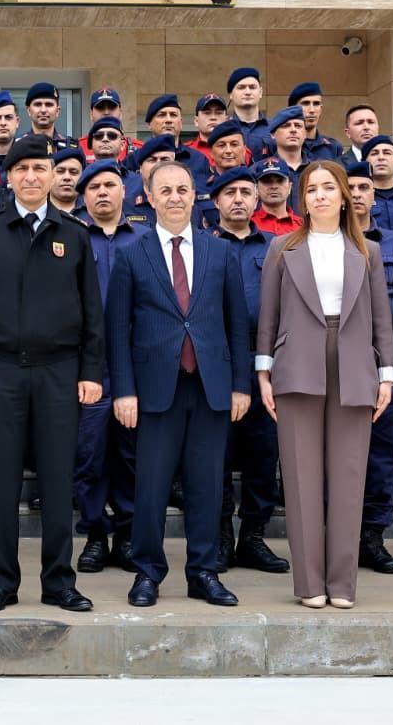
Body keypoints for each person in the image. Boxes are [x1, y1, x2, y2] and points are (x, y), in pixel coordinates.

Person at [0, 135, 105, 613]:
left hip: (59, 371)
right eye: (22, 169)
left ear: (54, 175)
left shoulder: (74, 234)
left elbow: (92, 310)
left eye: (40, 168)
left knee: (59, 480)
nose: (32, 177)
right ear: (9, 177)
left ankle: (59, 581)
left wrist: (91, 371)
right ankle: (1, 581)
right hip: (0, 370)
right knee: (0, 480)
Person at [107, 160, 251, 609]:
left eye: (182, 189)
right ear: (149, 197)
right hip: (154, 389)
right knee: (150, 487)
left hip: (210, 386)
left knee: (207, 486)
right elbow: (118, 329)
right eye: (165, 190)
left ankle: (203, 571)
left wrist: (241, 385)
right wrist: (124, 391)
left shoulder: (220, 252)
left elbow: (237, 325)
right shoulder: (132, 254)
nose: (174, 197)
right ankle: (148, 571)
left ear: (195, 196)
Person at [255, 160, 393, 608]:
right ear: (303, 199)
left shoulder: (366, 251)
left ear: (344, 197)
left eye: (328, 188)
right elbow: (268, 314)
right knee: (301, 478)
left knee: (349, 477)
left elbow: (381, 318)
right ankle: (310, 584)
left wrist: (387, 375)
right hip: (296, 364)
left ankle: (342, 584)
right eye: (312, 188)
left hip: (354, 364)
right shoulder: (282, 248)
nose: (320, 195)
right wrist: (263, 372)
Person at [209, 167, 288, 575]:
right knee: (216, 455)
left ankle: (253, 537)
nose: (238, 199)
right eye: (230, 193)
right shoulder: (203, 246)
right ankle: (222, 537)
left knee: (263, 452)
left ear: (257, 200)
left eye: (245, 192)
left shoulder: (278, 247)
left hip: (265, 360)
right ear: (216, 202)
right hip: (216, 360)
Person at [71, 160, 145, 574]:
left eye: (110, 185)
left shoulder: (146, 238)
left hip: (137, 362)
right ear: (84, 196)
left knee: (133, 455)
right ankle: (96, 535)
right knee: (90, 455)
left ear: (124, 191)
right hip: (89, 366)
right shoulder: (71, 238)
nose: (102, 192)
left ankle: (129, 535)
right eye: (94, 186)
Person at [347, 160, 393, 574]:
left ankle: (373, 536)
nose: (356, 194)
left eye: (363, 187)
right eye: (349, 187)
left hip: (384, 364)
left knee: (384, 455)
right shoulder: (322, 244)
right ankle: (338, 534)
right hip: (335, 363)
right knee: (336, 455)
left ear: (374, 194)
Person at [341, 104, 393, 186]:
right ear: (348, 132)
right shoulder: (337, 165)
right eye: (359, 123)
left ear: (378, 127)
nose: (366, 127)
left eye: (371, 122)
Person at [226, 67, 275, 159]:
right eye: (241, 88)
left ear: (260, 92)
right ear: (231, 94)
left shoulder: (275, 128)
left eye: (252, 87)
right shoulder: (223, 128)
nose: (248, 92)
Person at [289, 82, 343, 162]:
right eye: (305, 103)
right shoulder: (283, 145)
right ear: (292, 109)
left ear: (321, 109)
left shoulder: (333, 147)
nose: (312, 110)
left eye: (316, 104)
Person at [251, 157, 301, 236]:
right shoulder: (248, 224)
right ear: (256, 188)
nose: (274, 186)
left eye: (280, 181)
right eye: (267, 181)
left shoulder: (303, 227)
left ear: (290, 187)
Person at [24, 82, 78, 149]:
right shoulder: (17, 146)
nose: (43, 110)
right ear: (29, 110)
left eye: (49, 104)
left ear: (57, 111)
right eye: (38, 104)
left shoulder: (70, 148)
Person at [48, 146, 86, 216]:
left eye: (73, 172)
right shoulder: (35, 209)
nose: (67, 177)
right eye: (60, 171)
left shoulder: (93, 210)